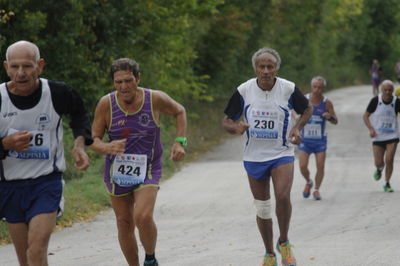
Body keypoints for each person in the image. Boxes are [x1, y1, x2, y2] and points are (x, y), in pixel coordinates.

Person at [0, 40, 92, 266]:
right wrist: (5, 144)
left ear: (39, 65)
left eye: (27, 66)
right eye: (14, 67)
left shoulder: (58, 92)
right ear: (6, 67)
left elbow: (80, 115)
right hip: (10, 186)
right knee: (25, 259)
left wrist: (79, 145)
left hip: (46, 183)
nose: (20, 73)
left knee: (36, 249)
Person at [91, 58, 187, 266]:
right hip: (117, 169)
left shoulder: (154, 99)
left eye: (128, 80)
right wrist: (106, 147)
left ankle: (150, 259)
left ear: (138, 79)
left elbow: (179, 111)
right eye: (118, 82)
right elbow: (94, 140)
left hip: (149, 167)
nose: (124, 87)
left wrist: (179, 142)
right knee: (124, 223)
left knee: (142, 216)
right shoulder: (106, 104)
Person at [222, 47, 312, 266]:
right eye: (261, 66)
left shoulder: (288, 89)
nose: (265, 70)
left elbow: (307, 109)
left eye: (270, 66)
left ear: (276, 68)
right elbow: (226, 120)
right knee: (262, 207)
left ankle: (284, 242)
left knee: (282, 196)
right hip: (254, 156)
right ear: (255, 68)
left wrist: (297, 127)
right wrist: (236, 128)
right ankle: (269, 253)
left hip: (281, 152)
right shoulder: (244, 90)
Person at [298, 76, 338, 201]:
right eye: (315, 87)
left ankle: (316, 190)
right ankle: (309, 181)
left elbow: (335, 121)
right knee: (303, 166)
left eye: (320, 87)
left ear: (323, 88)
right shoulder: (304, 99)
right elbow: (293, 111)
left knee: (320, 165)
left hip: (320, 140)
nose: (317, 90)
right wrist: (298, 117)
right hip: (305, 139)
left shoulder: (327, 102)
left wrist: (329, 117)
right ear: (311, 87)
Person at [363, 79, 400, 192]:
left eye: (390, 90)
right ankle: (379, 169)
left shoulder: (396, 101)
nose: (388, 92)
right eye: (385, 90)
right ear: (381, 90)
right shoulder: (375, 100)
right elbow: (365, 116)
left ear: (393, 90)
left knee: (389, 159)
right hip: (378, 135)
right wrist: (371, 129)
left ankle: (387, 183)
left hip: (392, 135)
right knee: (379, 162)